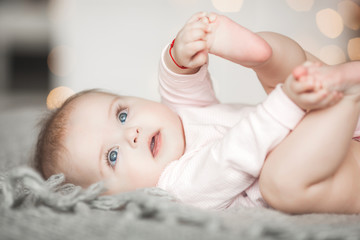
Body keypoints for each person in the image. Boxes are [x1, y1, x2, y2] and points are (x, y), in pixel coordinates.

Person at [33, 12, 360, 214]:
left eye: (121, 115)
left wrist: (180, 55)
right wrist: (286, 101)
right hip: (340, 169)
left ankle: (261, 56)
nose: (130, 133)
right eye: (113, 156)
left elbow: (176, 87)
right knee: (280, 183)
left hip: (318, 109)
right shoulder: (179, 187)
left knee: (277, 58)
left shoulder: (178, 118)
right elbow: (233, 155)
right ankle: (346, 94)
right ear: (115, 199)